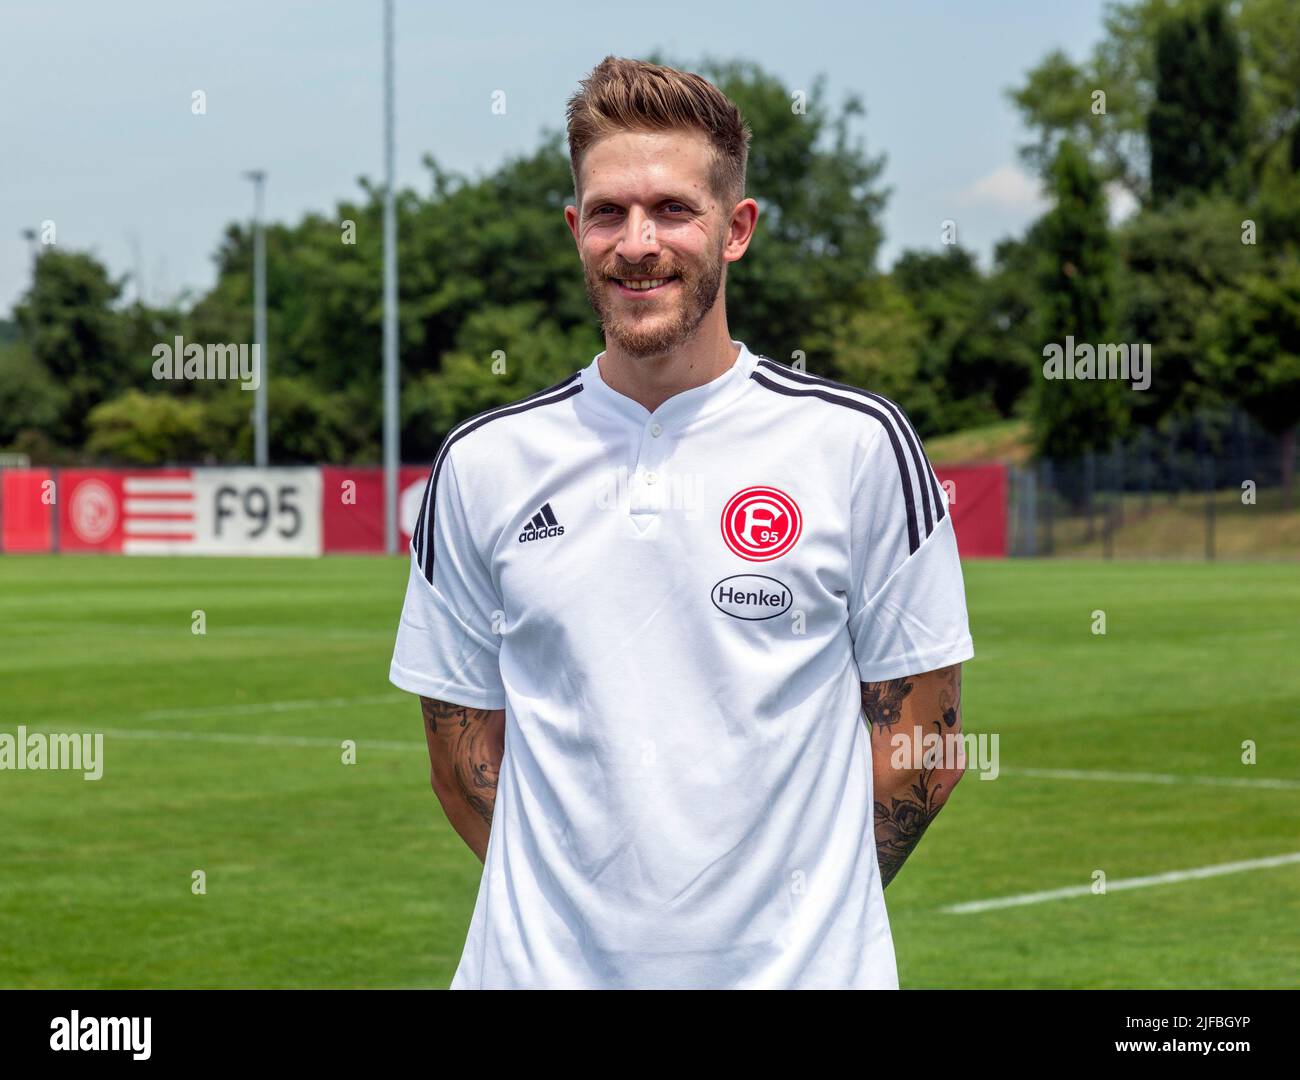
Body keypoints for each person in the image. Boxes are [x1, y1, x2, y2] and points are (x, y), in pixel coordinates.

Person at [389, 55, 974, 989]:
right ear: (576, 229)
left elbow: (925, 749)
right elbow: (462, 761)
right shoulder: (483, 464)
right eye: (609, 213)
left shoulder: (857, 445)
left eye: (672, 209)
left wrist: (791, 927)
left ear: (735, 229)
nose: (637, 243)